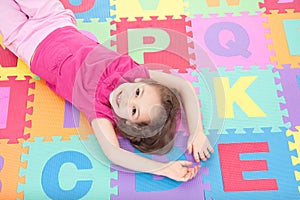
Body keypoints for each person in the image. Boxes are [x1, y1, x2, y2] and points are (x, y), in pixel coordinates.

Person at [0, 0, 213, 182]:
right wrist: (197, 131)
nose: (129, 98)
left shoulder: (99, 111)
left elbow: (114, 153)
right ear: (142, 81)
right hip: (54, 19)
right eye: (138, 93)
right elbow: (183, 86)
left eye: (134, 111)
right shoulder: (132, 71)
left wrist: (163, 168)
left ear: (127, 124)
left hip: (26, 42)